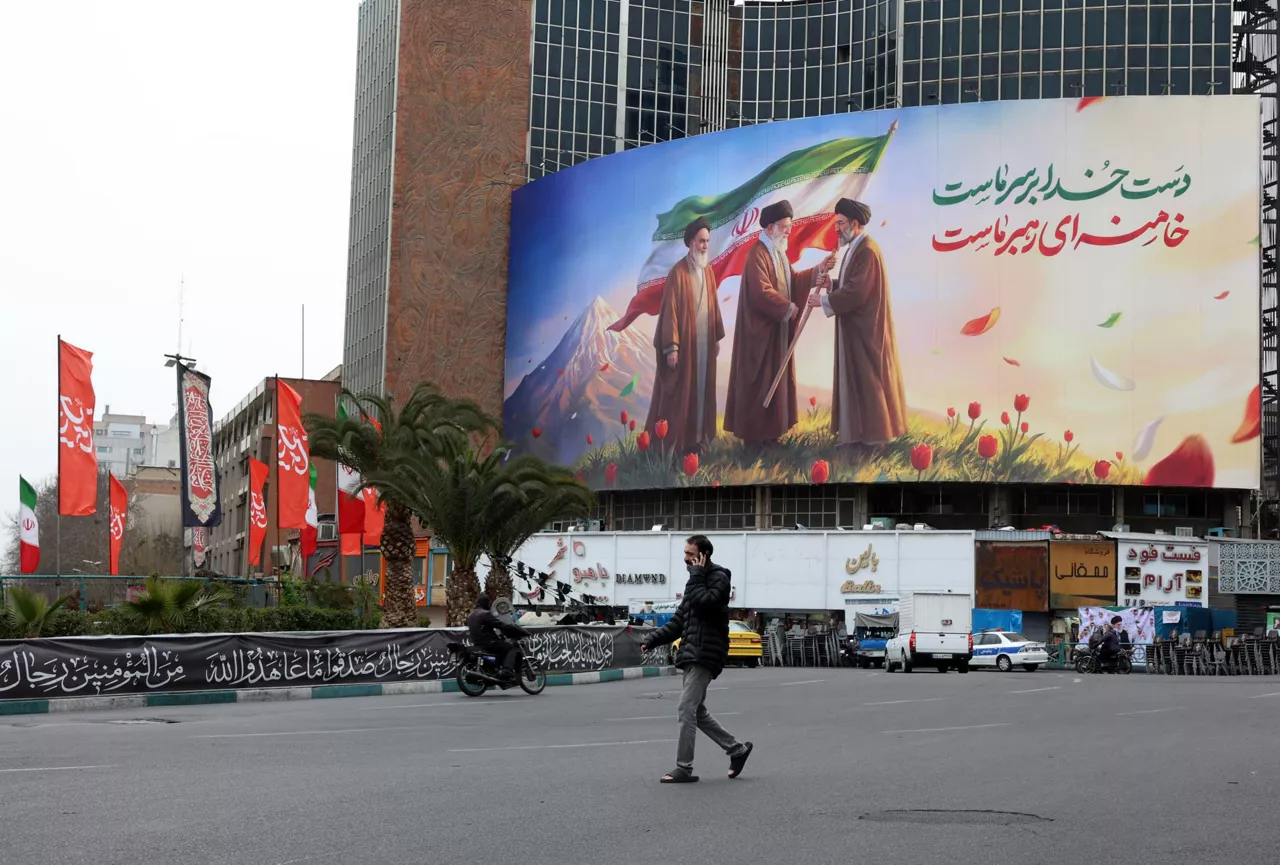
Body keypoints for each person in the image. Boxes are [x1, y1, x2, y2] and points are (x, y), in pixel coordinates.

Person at [724, 200, 835, 448]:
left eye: (789, 226)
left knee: (775, 381)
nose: (788, 231)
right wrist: (787, 307)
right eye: (785, 226)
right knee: (758, 383)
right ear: (771, 227)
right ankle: (754, 441)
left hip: (776, 333)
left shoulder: (778, 254)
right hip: (759, 337)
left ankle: (771, 436)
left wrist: (819, 270)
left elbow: (792, 282)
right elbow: (761, 292)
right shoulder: (757, 255)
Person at [642, 534, 753, 784]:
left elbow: (706, 604)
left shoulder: (718, 578)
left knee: (686, 709)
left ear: (704, 556)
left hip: (706, 654)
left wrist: (696, 576)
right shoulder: (697, 581)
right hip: (692, 653)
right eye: (685, 553)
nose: (686, 558)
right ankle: (737, 750)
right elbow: (679, 621)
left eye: (690, 554)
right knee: (697, 712)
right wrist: (652, 640)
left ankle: (684, 767)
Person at [807, 198, 908, 446]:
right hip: (856, 329)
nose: (837, 229)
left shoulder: (868, 250)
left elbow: (858, 292)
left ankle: (874, 442)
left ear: (854, 223)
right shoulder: (857, 247)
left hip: (866, 333)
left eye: (840, 224)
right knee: (857, 381)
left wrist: (824, 301)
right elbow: (851, 286)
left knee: (868, 382)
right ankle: (858, 437)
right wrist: (833, 285)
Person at [645, 216, 726, 454]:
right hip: (686, 347)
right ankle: (679, 444)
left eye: (707, 241)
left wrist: (716, 337)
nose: (705, 246)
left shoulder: (708, 271)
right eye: (701, 241)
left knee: (702, 393)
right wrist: (672, 347)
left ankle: (699, 441)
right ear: (691, 242)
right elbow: (669, 311)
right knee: (682, 395)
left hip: (704, 346)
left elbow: (714, 306)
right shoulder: (677, 273)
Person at [466, 594, 531, 682]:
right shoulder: (485, 614)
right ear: (485, 603)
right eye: (488, 603)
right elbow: (500, 624)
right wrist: (514, 629)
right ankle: (507, 670)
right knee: (513, 649)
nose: (489, 605)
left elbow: (485, 627)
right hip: (489, 642)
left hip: (478, 643)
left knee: (502, 648)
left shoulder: (471, 615)